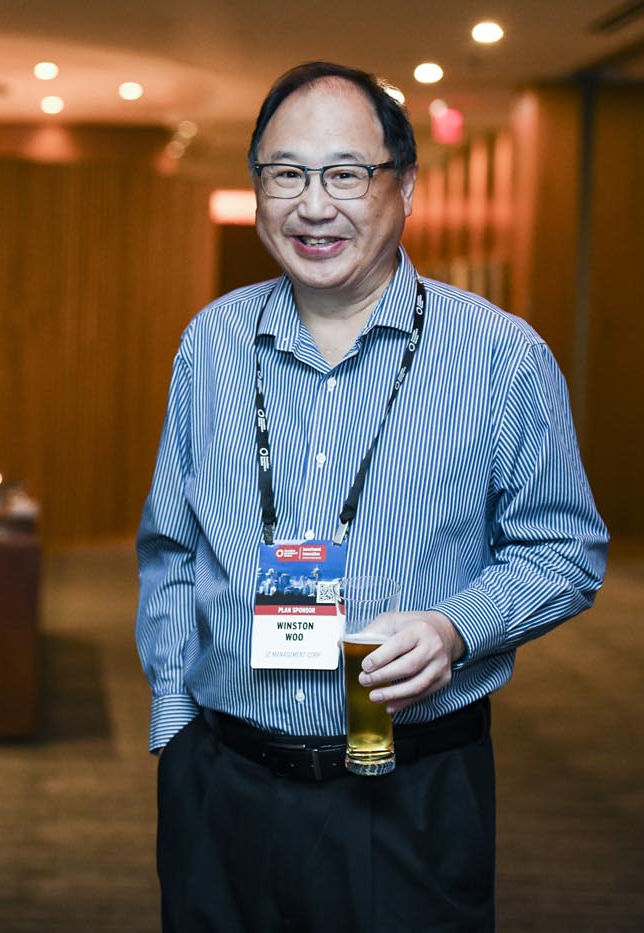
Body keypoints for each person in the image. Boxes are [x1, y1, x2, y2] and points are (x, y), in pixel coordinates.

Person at [135, 61, 607, 933]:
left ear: (407, 185)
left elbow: (564, 549)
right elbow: (172, 548)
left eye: (346, 174)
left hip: (409, 795)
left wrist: (455, 626)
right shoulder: (211, 342)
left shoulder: (502, 356)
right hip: (223, 788)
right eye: (286, 174)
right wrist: (176, 732)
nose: (314, 206)